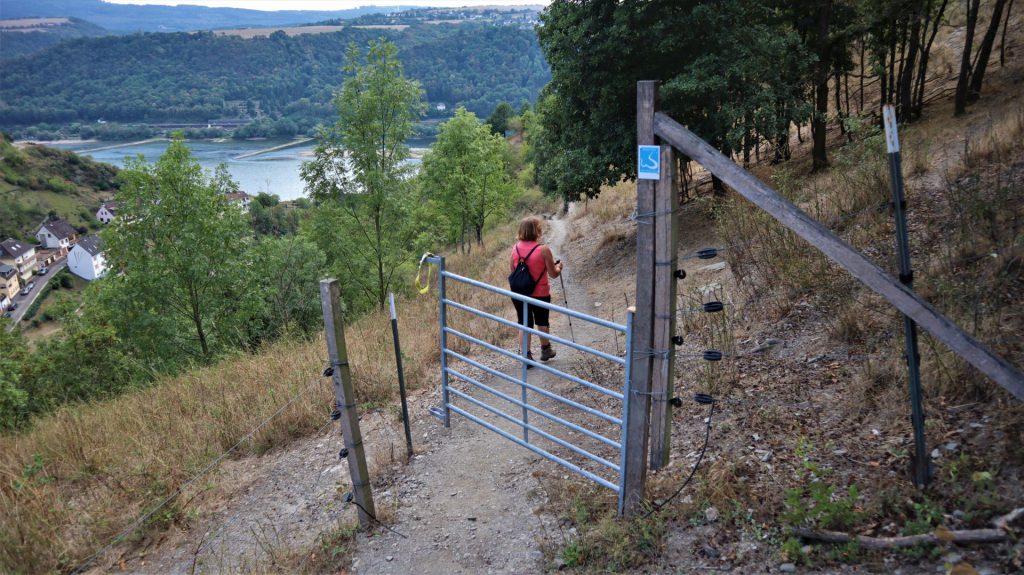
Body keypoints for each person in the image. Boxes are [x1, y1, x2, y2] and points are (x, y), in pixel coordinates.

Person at [509, 217, 563, 363]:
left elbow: (513, 270)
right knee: (542, 322)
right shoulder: (543, 250)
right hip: (540, 293)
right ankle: (545, 349)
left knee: (524, 323)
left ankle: (526, 356)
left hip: (520, 294)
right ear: (536, 230)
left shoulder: (515, 248)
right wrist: (559, 267)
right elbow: (553, 274)